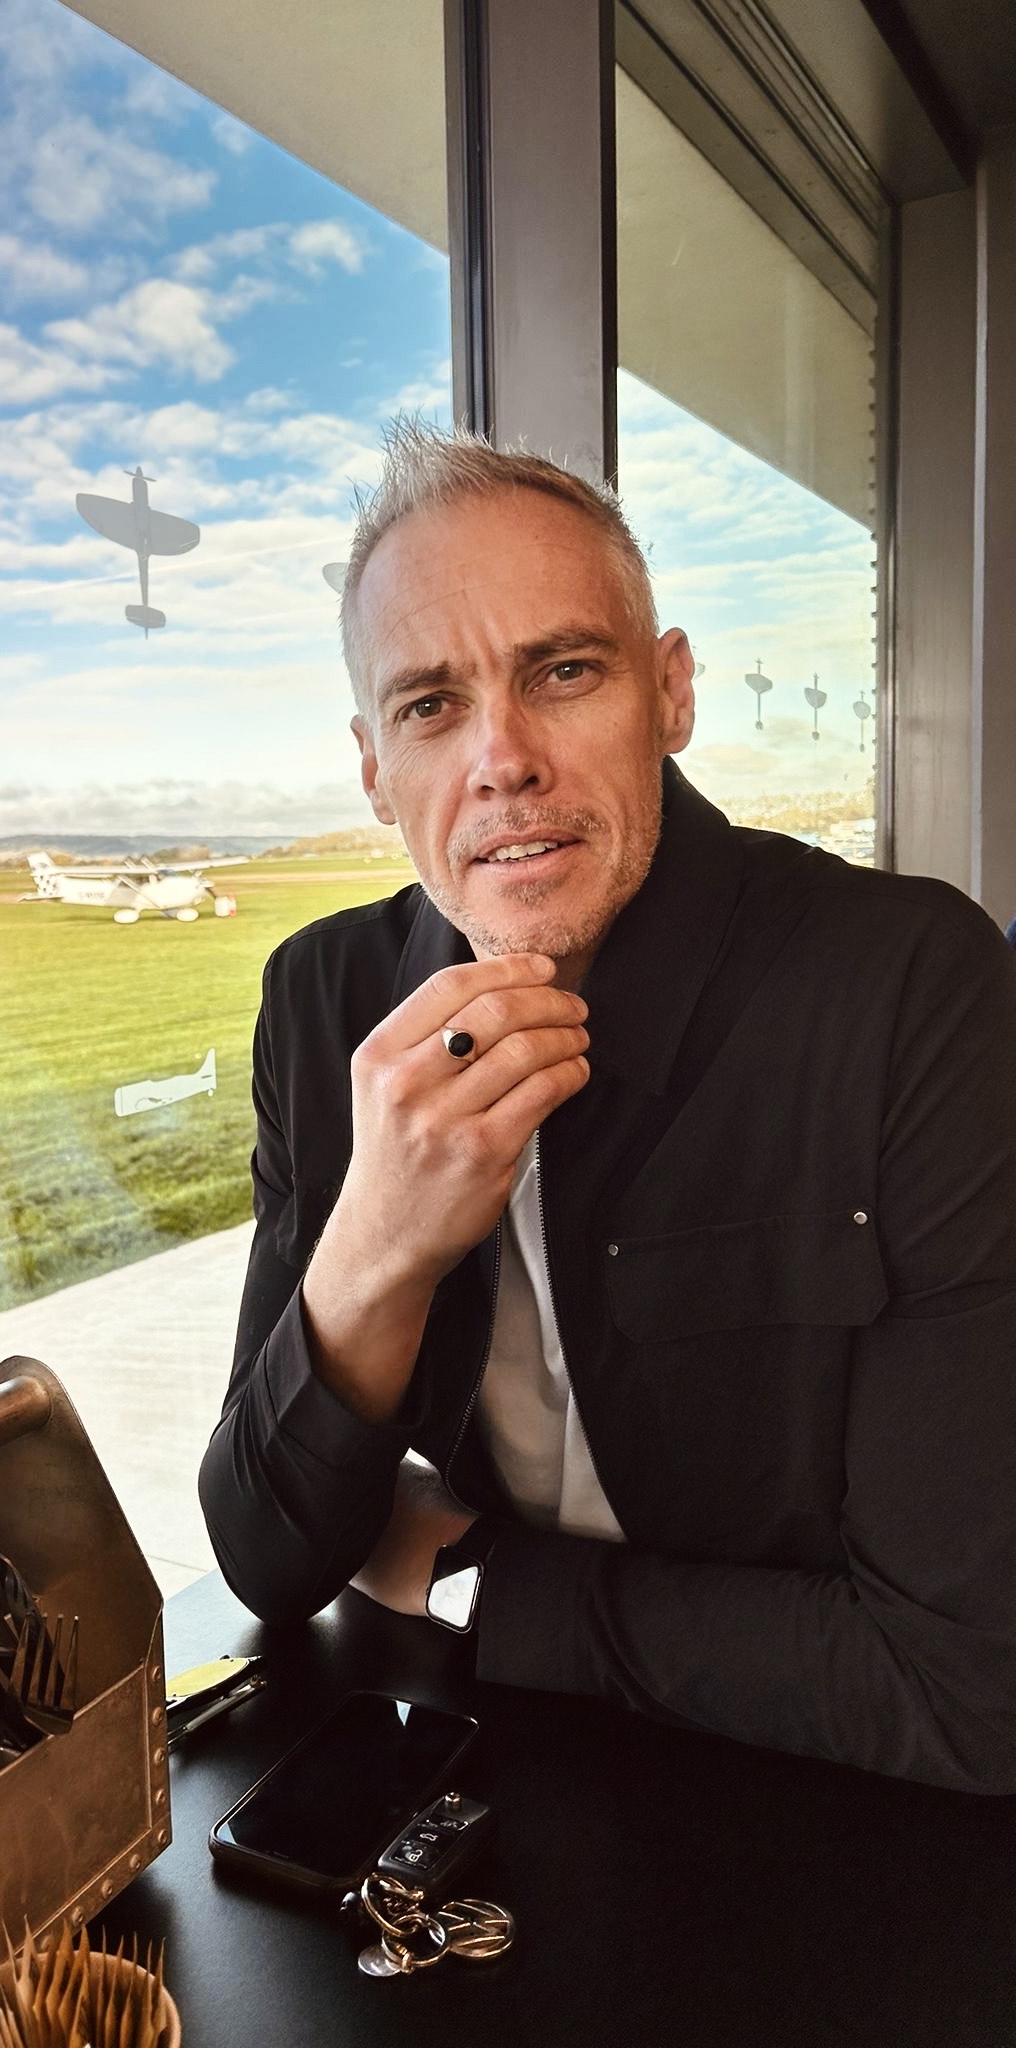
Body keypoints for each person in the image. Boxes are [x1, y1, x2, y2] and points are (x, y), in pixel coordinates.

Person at [198, 421, 1016, 1794]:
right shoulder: (323, 1003)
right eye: (431, 706)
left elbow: (972, 1684)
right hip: (472, 1783)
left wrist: (470, 1579)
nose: (502, 759)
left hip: (849, 1813)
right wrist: (379, 1247)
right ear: (373, 767)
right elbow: (270, 1557)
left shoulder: (910, 988)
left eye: (563, 672)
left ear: (671, 691)